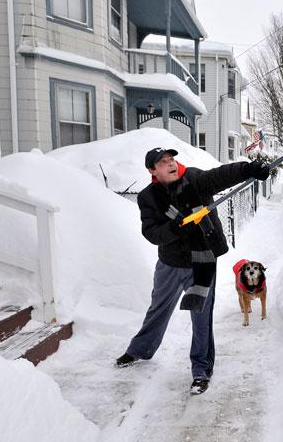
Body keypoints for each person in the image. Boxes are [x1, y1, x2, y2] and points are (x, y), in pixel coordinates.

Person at [115, 147, 270, 395]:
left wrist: (248, 169)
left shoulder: (195, 181)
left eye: (171, 159)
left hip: (202, 261)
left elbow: (221, 175)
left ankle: (201, 369)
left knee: (202, 318)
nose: (170, 164)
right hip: (170, 264)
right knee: (158, 309)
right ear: (153, 171)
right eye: (163, 162)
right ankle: (140, 350)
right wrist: (175, 227)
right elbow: (152, 233)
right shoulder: (149, 197)